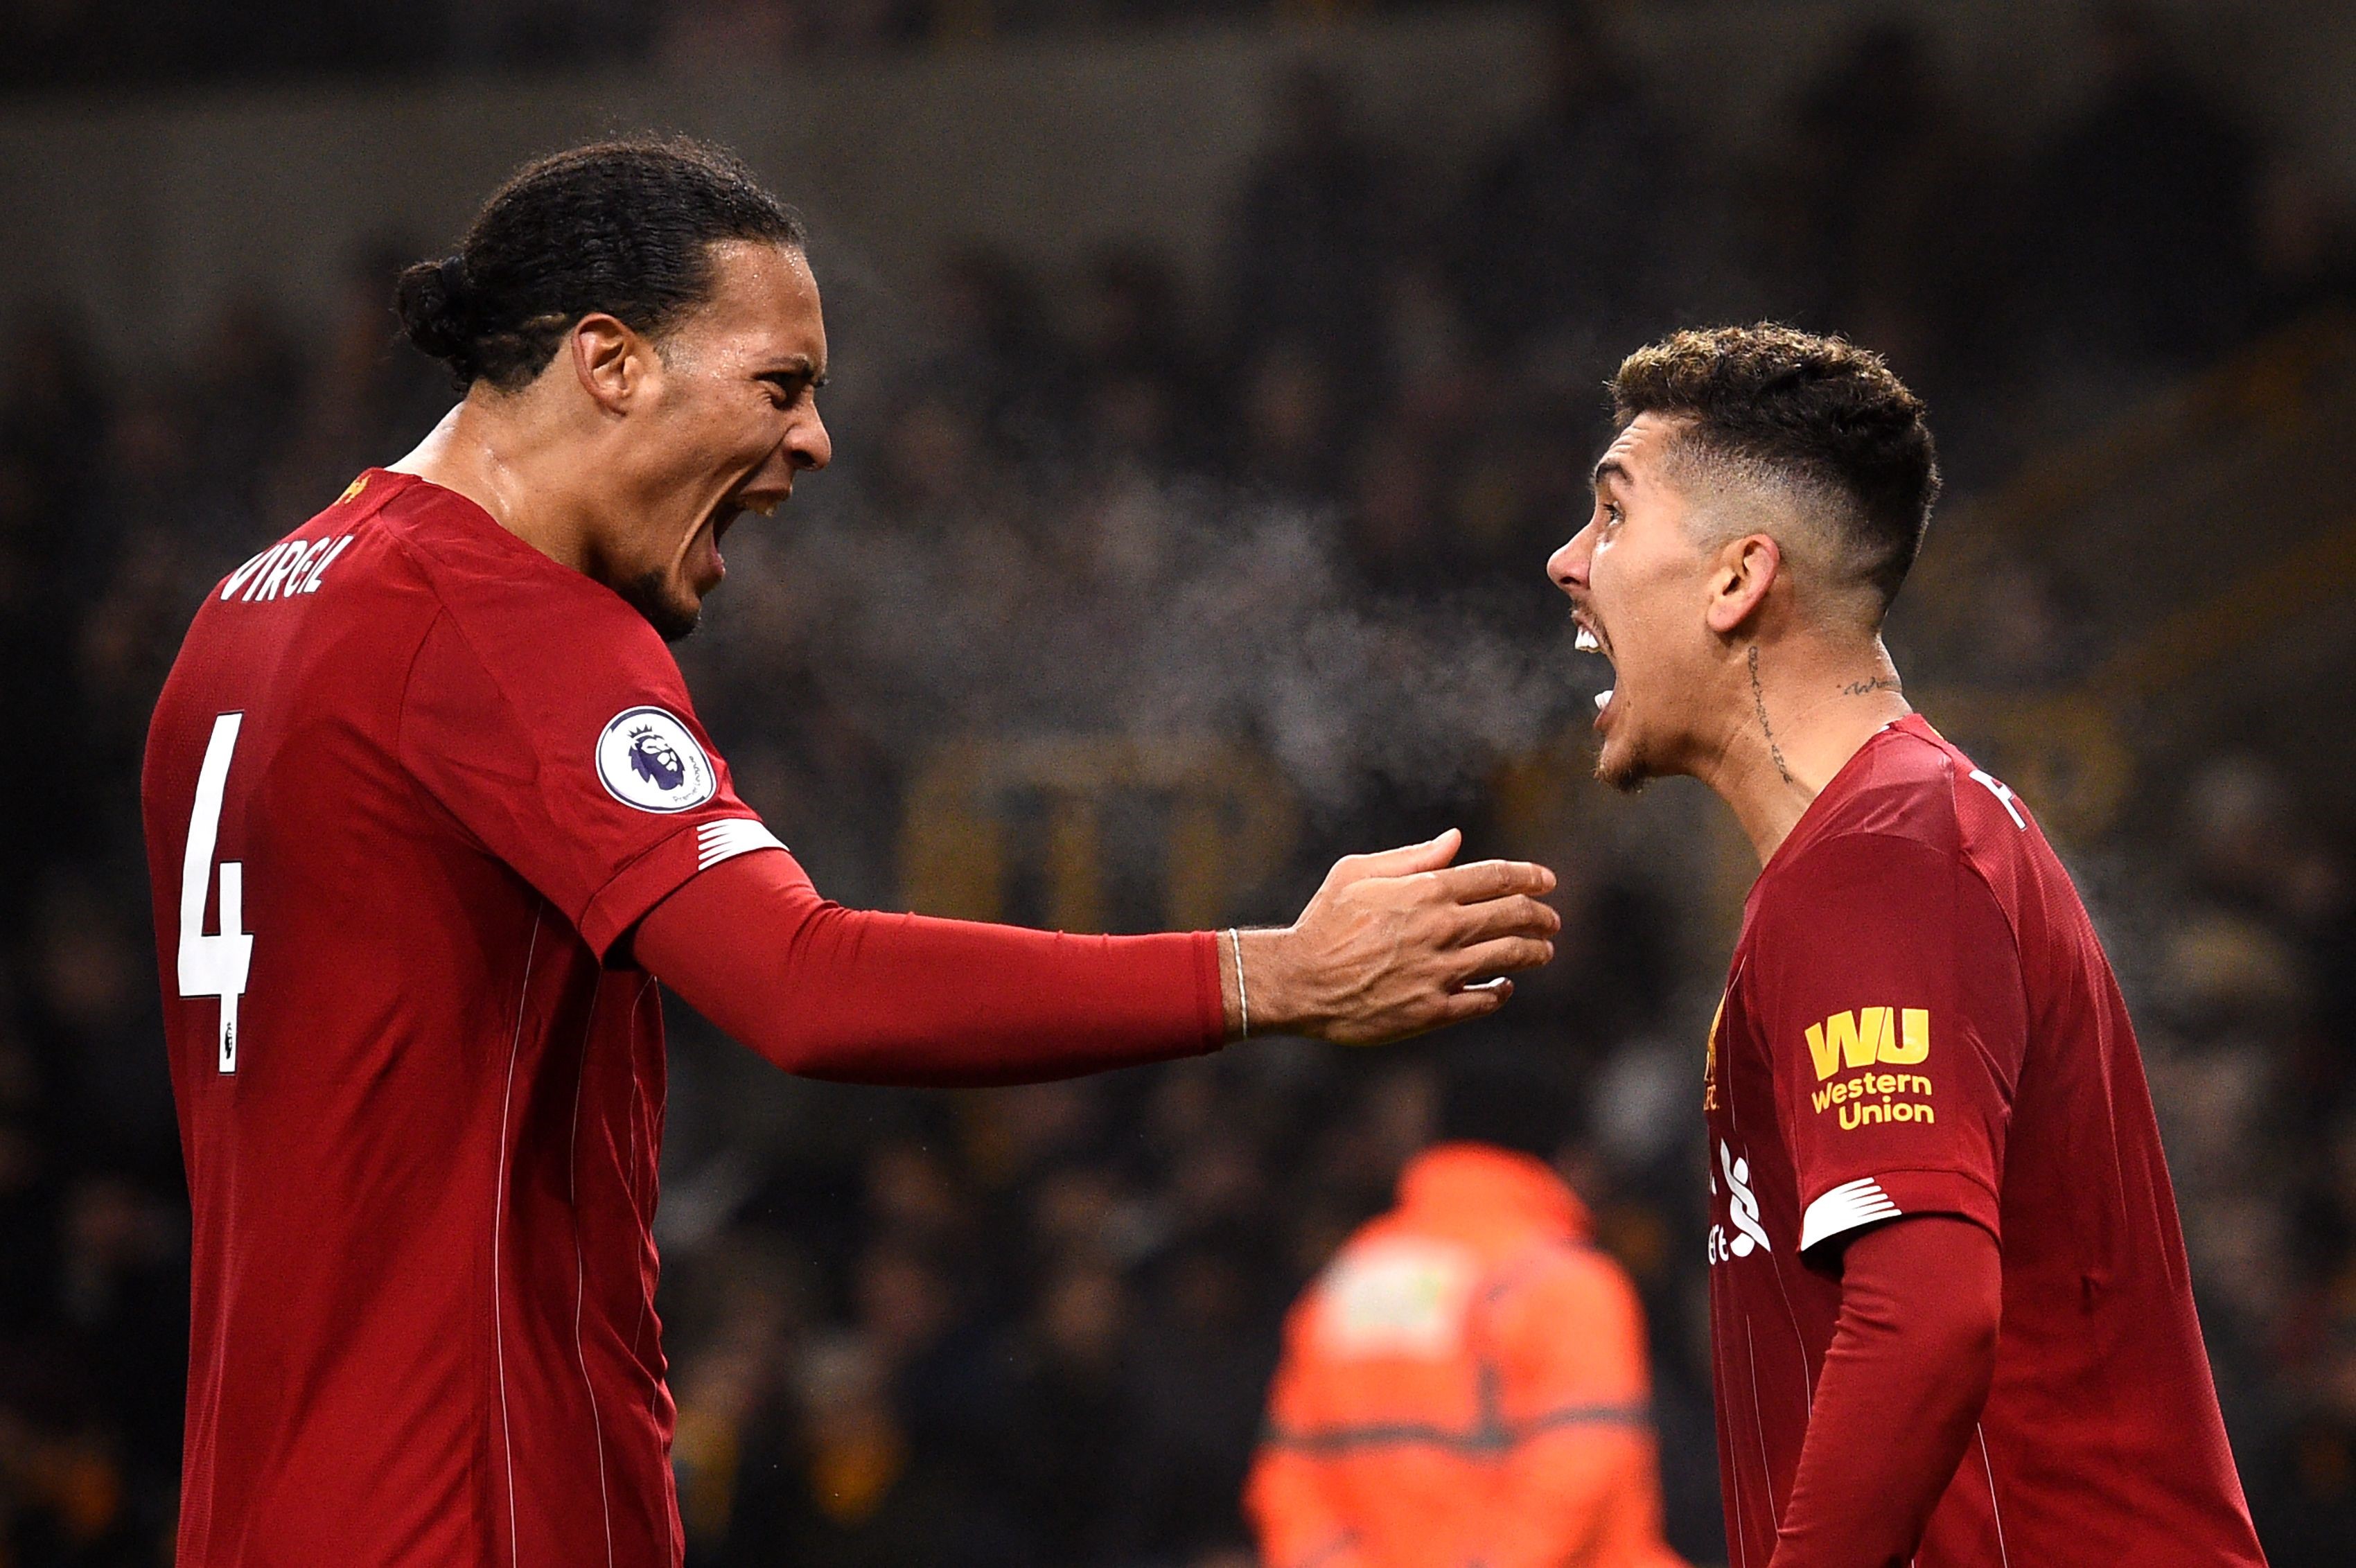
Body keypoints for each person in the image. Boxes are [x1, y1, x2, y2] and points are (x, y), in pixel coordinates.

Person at [138, 137, 1562, 1568]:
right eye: (780, 385)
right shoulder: (507, 623)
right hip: (468, 1506)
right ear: (609, 361)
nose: (815, 440)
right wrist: (1268, 974)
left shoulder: (247, 615)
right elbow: (804, 985)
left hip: (260, 1503)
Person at [1545, 324, 2266, 1566]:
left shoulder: (1882, 856)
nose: (1568, 562)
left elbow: (1925, 1312)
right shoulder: (1909, 828)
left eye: (1612, 515)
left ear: (1737, 579)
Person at [1247, 1057, 1686, 1568]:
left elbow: (1290, 1480)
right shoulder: (1565, 1282)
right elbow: (1583, 1469)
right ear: (1567, 1156)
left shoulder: (1346, 1283)